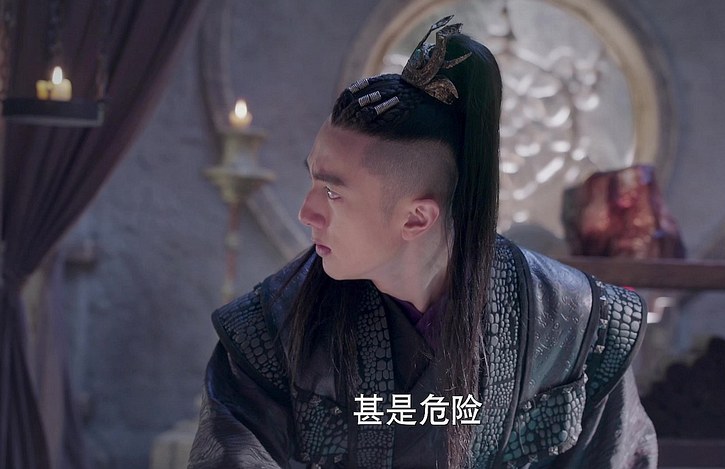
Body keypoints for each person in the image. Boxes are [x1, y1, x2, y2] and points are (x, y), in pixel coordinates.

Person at [188, 17, 657, 469]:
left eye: (332, 192)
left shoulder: (576, 326)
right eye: (312, 180)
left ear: (416, 217)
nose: (306, 212)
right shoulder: (274, 326)